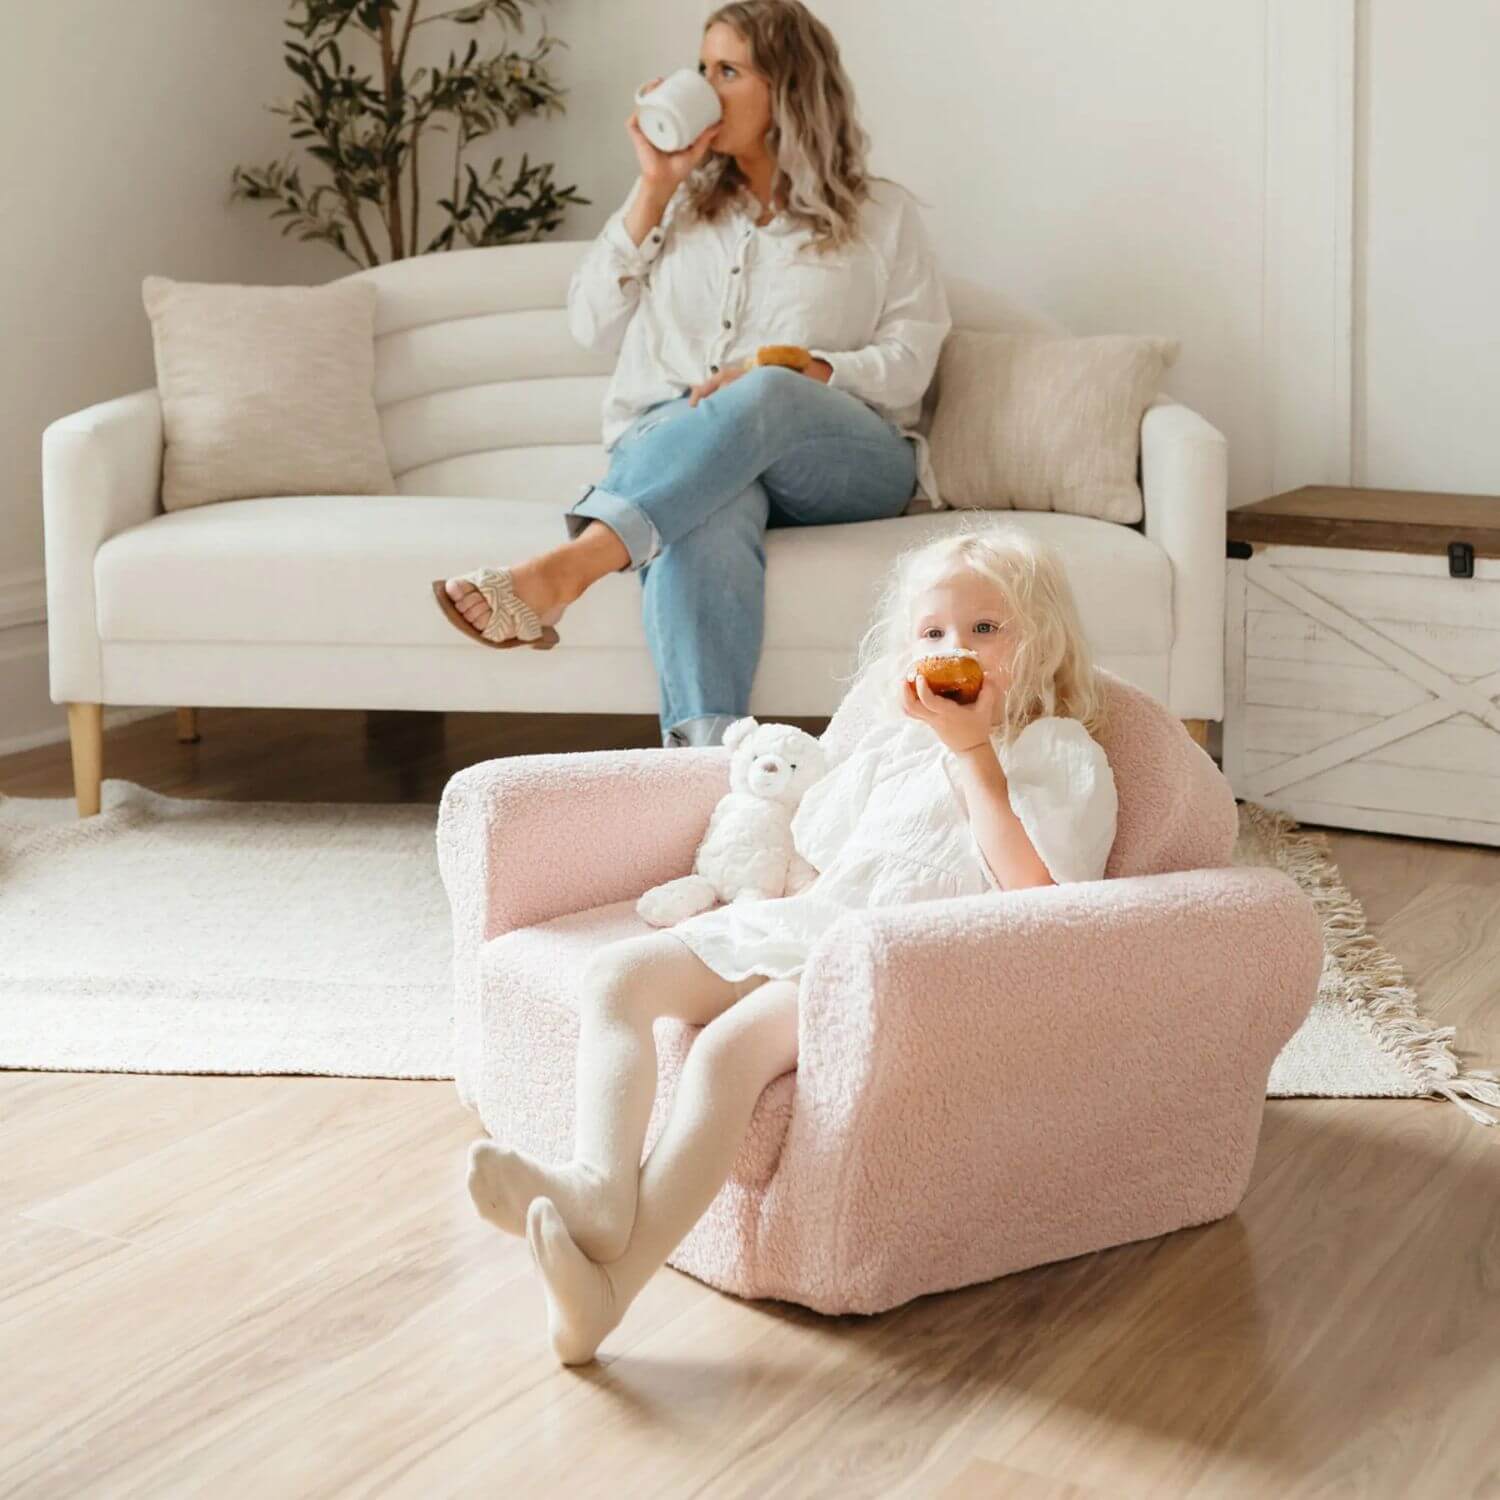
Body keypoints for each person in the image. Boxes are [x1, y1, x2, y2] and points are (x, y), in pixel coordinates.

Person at [465, 524, 1121, 1366]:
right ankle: (598, 1192)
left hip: (906, 961)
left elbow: (1046, 905)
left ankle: (611, 1288)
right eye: (934, 633)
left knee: (729, 1052)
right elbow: (823, 846)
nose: (956, 647)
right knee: (620, 975)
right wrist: (763, 908)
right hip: (824, 923)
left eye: (986, 630)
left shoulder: (1061, 753)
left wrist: (975, 759)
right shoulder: (894, 743)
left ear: (1046, 642)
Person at [432, 0, 954, 749]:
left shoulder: (881, 214)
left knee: (768, 388)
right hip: (676, 444)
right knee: (709, 502)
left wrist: (803, 366)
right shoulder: (676, 205)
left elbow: (910, 367)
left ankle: (578, 562)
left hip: (839, 458)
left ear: (790, 89)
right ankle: (710, 767)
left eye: (729, 72)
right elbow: (589, 324)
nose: (706, 88)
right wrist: (653, 184)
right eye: (702, 70)